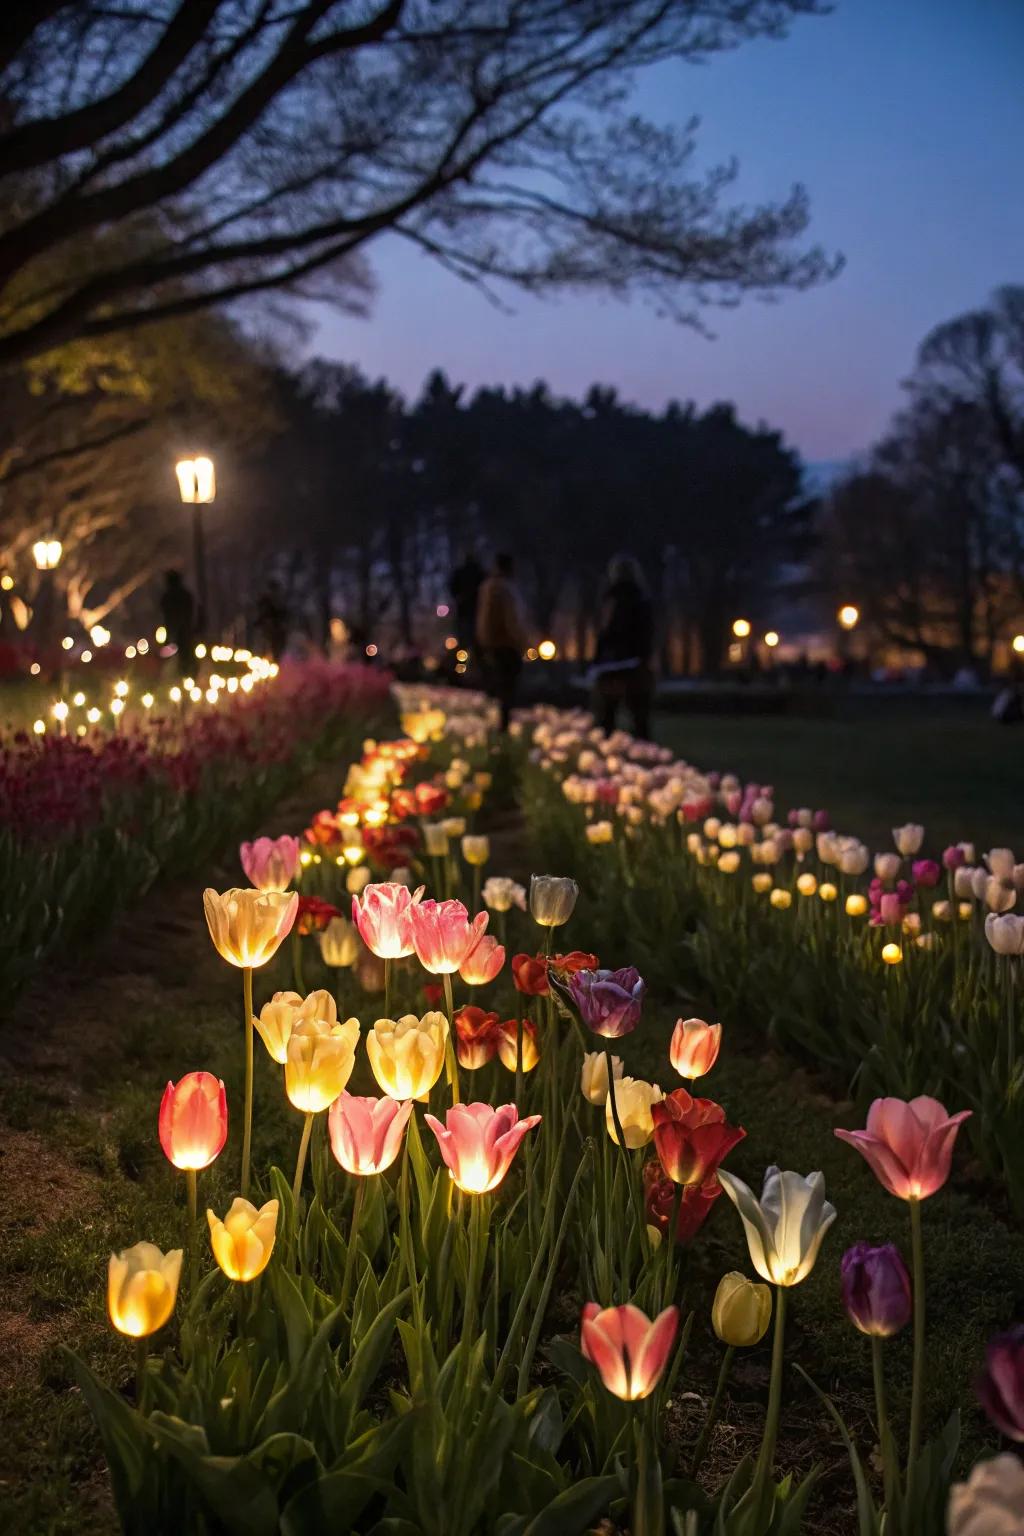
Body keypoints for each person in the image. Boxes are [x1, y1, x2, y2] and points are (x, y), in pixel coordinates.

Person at [592, 554, 654, 739]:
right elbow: (647, 632)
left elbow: (604, 632)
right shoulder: (642, 599)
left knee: (607, 716)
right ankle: (645, 754)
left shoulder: (610, 599)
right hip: (635, 662)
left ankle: (606, 756)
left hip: (611, 664)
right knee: (639, 716)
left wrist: (597, 659)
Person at [476, 552, 527, 729]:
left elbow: (482, 619)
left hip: (491, 644)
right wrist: (522, 642)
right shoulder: (505, 589)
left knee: (497, 686)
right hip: (506, 644)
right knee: (507, 688)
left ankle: (497, 725)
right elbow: (512, 619)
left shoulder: (487, 587)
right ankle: (503, 726)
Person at [160, 570, 195, 676]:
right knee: (182, 658)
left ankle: (185, 677)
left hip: (178, 633)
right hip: (181, 633)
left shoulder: (168, 597)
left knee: (182, 658)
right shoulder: (185, 596)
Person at [450, 547, 486, 647]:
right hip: (477, 611)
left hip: (466, 611)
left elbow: (453, 590)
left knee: (465, 640)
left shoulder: (459, 573)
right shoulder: (481, 573)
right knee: (478, 639)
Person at [254, 579, 289, 661]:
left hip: (277, 630)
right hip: (269, 628)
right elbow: (262, 612)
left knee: (277, 648)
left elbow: (283, 614)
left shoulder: (280, 601)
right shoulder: (265, 600)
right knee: (267, 646)